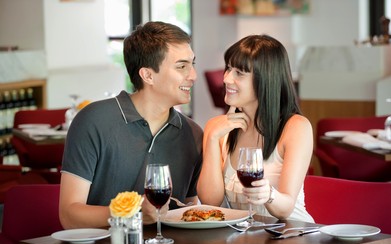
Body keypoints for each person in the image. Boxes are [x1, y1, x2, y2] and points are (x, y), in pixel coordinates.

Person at [59, 21, 203, 229]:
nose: (193, 76)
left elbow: (188, 216)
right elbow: (69, 216)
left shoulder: (193, 134)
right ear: (147, 75)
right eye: (182, 67)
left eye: (192, 64)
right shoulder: (92, 121)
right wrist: (132, 214)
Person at [197, 34, 314, 222]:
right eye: (228, 69)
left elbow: (285, 209)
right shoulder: (219, 128)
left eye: (239, 73)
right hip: (246, 241)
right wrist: (211, 137)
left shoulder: (296, 128)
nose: (226, 78)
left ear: (265, 80)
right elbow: (211, 201)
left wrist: (268, 194)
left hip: (293, 235)